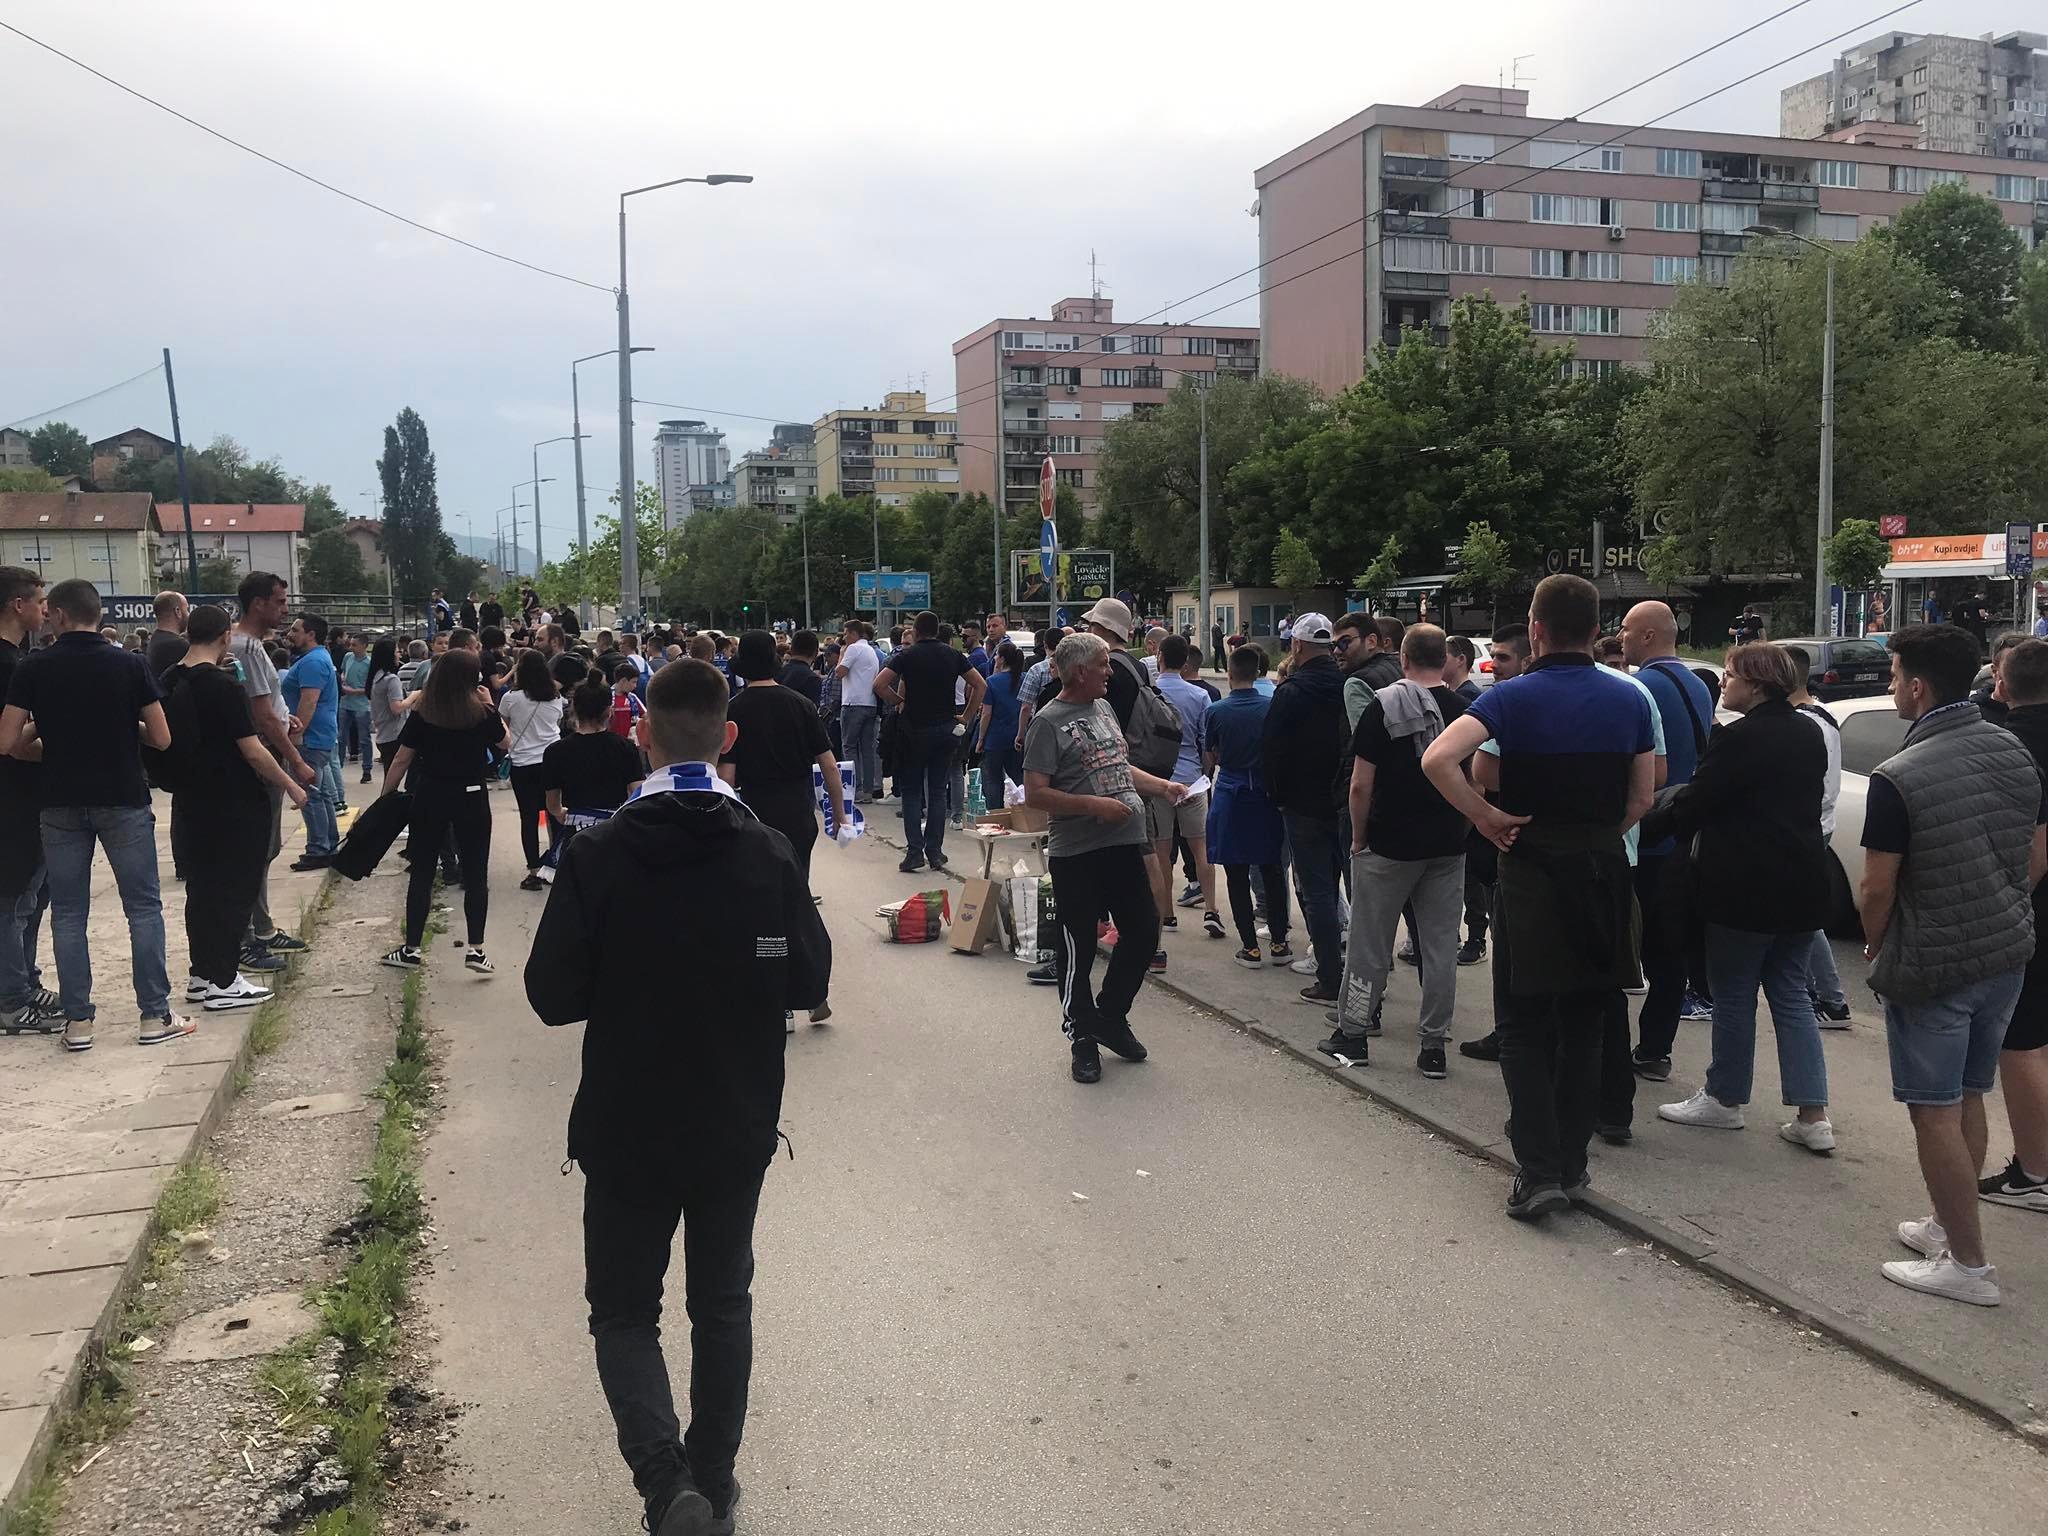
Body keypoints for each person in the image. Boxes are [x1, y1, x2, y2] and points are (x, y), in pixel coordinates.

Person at [525, 657, 827, 1536]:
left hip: (625, 1123)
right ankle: (715, 1479)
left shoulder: (600, 852)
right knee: (722, 1305)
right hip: (734, 1121)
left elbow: (552, 997)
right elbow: (808, 977)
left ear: (640, 735)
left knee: (624, 1311)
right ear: (727, 739)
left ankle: (668, 1488)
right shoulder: (765, 850)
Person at [1422, 574, 1655, 1221]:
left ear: (1537, 630)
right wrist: (1602, 836)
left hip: (1529, 871)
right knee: (1585, 1028)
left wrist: (1484, 818)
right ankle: (1572, 1165)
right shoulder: (1630, 699)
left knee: (1524, 1027)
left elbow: (1439, 760)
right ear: (1594, 630)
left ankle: (1539, 1171)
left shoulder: (1512, 700)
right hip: (1605, 872)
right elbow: (1643, 795)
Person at [1860, 624, 2044, 1306]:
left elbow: (1877, 889)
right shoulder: (2012, 749)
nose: (1889, 686)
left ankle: (1967, 1266)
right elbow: (2030, 854)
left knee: (1932, 1110)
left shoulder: (1900, 776)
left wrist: (1877, 947)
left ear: (1917, 686)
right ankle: (1948, 1223)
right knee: (1967, 1095)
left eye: (1893, 675)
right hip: (2004, 953)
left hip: (1934, 966)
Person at [1645, 643, 1836, 1153]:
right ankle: (1813, 1114)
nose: (1723, 683)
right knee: (1792, 995)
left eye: (1729, 675)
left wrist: (1648, 817)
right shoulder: (1809, 731)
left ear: (1754, 683)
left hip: (1744, 887)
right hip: (1802, 882)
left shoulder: (1739, 738)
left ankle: (1725, 1099)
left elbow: (1699, 802)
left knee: (1733, 994)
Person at [0, 579, 188, 1051]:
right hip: (122, 797)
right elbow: (162, 738)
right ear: (96, 613)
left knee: (67, 913)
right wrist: (122, 729)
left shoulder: (33, 667)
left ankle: (79, 1022)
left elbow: (8, 742)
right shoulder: (129, 664)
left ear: (60, 616)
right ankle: (153, 1015)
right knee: (143, 908)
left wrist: (54, 733)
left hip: (59, 801)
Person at [1023, 632, 1188, 1084]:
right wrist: (1095, 807)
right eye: (1104, 665)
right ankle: (1082, 1038)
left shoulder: (1104, 708)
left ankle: (1109, 1016)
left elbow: (1117, 766)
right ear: (1079, 671)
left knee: (1141, 930)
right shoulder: (1047, 722)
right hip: (1077, 854)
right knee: (1077, 946)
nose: (1111, 672)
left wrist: (1161, 786)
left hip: (1123, 845)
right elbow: (1036, 794)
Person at [1323, 623, 1474, 1078]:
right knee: (1440, 946)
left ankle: (1353, 1033)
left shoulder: (1381, 708)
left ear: (1404, 658)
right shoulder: (1463, 710)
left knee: (1370, 943)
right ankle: (1433, 1047)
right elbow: (1475, 780)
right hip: (1447, 844)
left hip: (1389, 842)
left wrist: (1359, 837)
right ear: (1444, 660)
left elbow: (1360, 784)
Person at [163, 605, 309, 1013]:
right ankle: (224, 980)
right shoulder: (223, 687)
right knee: (234, 890)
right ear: (225, 637)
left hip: (192, 800)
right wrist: (291, 784)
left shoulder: (170, 680)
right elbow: (252, 750)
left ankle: (202, 973)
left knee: (202, 890)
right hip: (234, 801)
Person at [1618, 600, 1720, 1076]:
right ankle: (1656, 1049)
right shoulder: (1697, 685)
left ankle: (1613, 1052)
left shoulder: (1641, 689)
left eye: (1625, 630)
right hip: (1683, 831)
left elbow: (1635, 766)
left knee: (1628, 947)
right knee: (1669, 953)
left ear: (1646, 637)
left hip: (1647, 834)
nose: (1619, 637)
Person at [379, 650, 507, 975]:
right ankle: (476, 950)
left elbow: (402, 759)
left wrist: (386, 797)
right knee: (476, 874)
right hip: (472, 796)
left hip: (431, 793)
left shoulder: (425, 713)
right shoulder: (481, 713)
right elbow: (506, 744)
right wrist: (490, 704)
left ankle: (411, 948)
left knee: (422, 871)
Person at [1982, 637, 2048, 1214]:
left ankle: (2034, 1172)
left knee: (2021, 1041)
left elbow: (2035, 845)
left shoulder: (2015, 747)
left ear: (2003, 684)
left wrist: (2009, 903)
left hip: (2032, 913)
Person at [230, 573, 316, 975]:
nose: (285, 610)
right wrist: (294, 761)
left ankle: (261, 927)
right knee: (257, 848)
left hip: (269, 745)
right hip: (263, 757)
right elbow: (261, 714)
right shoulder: (246, 648)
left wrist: (287, 720)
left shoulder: (251, 647)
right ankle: (249, 935)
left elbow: (270, 710)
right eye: (280, 602)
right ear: (258, 603)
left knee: (265, 848)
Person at [1261, 612, 1348, 1005]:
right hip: (1345, 802)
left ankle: (1330, 977)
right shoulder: (1349, 684)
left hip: (1302, 805)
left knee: (1318, 892)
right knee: (1354, 889)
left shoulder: (1292, 691)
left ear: (1296, 645)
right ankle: (1363, 978)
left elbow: (1273, 750)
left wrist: (1277, 797)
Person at [873, 610, 983, 875]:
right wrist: (966, 717)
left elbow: (879, 684)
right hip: (945, 730)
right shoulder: (953, 655)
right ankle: (934, 851)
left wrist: (900, 702)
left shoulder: (906, 656)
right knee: (936, 791)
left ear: (917, 631)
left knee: (912, 793)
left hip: (913, 731)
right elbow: (980, 686)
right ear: (937, 630)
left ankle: (914, 853)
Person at [1204, 642, 1290, 969]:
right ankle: (1280, 942)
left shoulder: (1216, 711)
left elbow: (1210, 755)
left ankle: (1250, 947)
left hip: (1231, 792)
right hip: (1266, 793)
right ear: (1258, 672)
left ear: (1229, 672)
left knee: (1236, 872)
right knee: (1271, 868)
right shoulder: (1271, 706)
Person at [0, 567, 57, 1035]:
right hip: (14, 796)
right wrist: (59, 738)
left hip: (20, 795)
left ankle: (25, 981)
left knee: (30, 897)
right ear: (17, 605)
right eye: (39, 600)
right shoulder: (9, 666)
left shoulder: (18, 658)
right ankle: (12, 999)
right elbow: (14, 742)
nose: (45, 608)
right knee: (15, 899)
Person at [1783, 648, 1851, 1027]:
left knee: (1805, 922)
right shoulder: (1822, 715)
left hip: (1809, 829)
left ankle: (1831, 1000)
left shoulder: (1809, 724)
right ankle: (1821, 994)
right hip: (1815, 826)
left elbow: (1818, 788)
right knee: (1803, 919)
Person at [1154, 634, 1221, 938]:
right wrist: (1204, 773)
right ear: (1186, 663)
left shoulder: (1150, 693)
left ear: (1160, 658)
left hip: (1158, 781)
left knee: (1162, 851)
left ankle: (1166, 914)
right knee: (1200, 848)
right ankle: (1212, 909)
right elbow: (1206, 743)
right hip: (1192, 779)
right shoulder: (1199, 695)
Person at [501, 650, 568, 892]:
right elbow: (558, 723)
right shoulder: (556, 697)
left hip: (523, 763)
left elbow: (505, 727)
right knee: (555, 813)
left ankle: (533, 870)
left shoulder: (511, 698)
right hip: (552, 760)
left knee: (528, 818)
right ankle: (558, 862)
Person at [545, 680, 646, 836]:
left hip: (577, 832)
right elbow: (637, 794)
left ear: (574, 709)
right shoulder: (625, 747)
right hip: (616, 829)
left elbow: (552, 804)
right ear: (609, 711)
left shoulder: (555, 751)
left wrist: (561, 813)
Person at [282, 614, 342, 871]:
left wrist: (297, 734)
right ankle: (328, 844)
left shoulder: (312, 663)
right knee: (322, 792)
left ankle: (318, 848)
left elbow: (309, 701)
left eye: (295, 630)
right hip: (318, 734)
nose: (290, 634)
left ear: (311, 634)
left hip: (310, 736)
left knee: (311, 793)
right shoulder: (316, 659)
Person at [836, 620, 882, 803]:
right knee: (867, 749)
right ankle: (868, 790)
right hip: (869, 703)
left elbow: (839, 672)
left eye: (846, 633)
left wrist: (841, 653)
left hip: (852, 703)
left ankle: (853, 788)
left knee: (849, 746)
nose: (844, 637)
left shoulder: (853, 649)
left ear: (854, 634)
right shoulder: (870, 650)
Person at [978, 641, 1029, 804]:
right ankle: (1023, 809)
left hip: (995, 737)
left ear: (1001, 659)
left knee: (992, 778)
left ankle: (996, 813)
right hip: (1019, 735)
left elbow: (986, 713)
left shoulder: (992, 682)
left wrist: (980, 739)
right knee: (1018, 776)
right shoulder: (1024, 678)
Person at [367, 635, 410, 775]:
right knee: (393, 778)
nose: (399, 654)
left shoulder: (376, 677)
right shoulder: (391, 679)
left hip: (384, 734)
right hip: (394, 735)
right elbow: (396, 707)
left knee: (390, 776)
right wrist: (414, 696)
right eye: (397, 652)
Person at [339, 632, 374, 781]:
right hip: (346, 702)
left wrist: (355, 691)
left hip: (361, 704)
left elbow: (370, 687)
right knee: (341, 737)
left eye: (355, 645)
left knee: (364, 738)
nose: (352, 648)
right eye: (351, 644)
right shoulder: (348, 657)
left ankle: (367, 769)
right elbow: (343, 672)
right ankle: (338, 768)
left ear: (364, 646)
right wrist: (343, 680)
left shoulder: (369, 663)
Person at [145, 590, 189, 679]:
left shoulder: (156, 640)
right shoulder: (178, 645)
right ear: (178, 611)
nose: (189, 614)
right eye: (187, 609)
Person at [779, 631, 824, 708]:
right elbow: (811, 713)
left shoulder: (777, 673)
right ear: (816, 653)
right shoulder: (812, 679)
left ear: (791, 649)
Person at [1443, 635, 1481, 702]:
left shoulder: (1469, 695)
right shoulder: (1453, 691)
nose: (1437, 661)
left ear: (1461, 659)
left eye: (1443, 656)